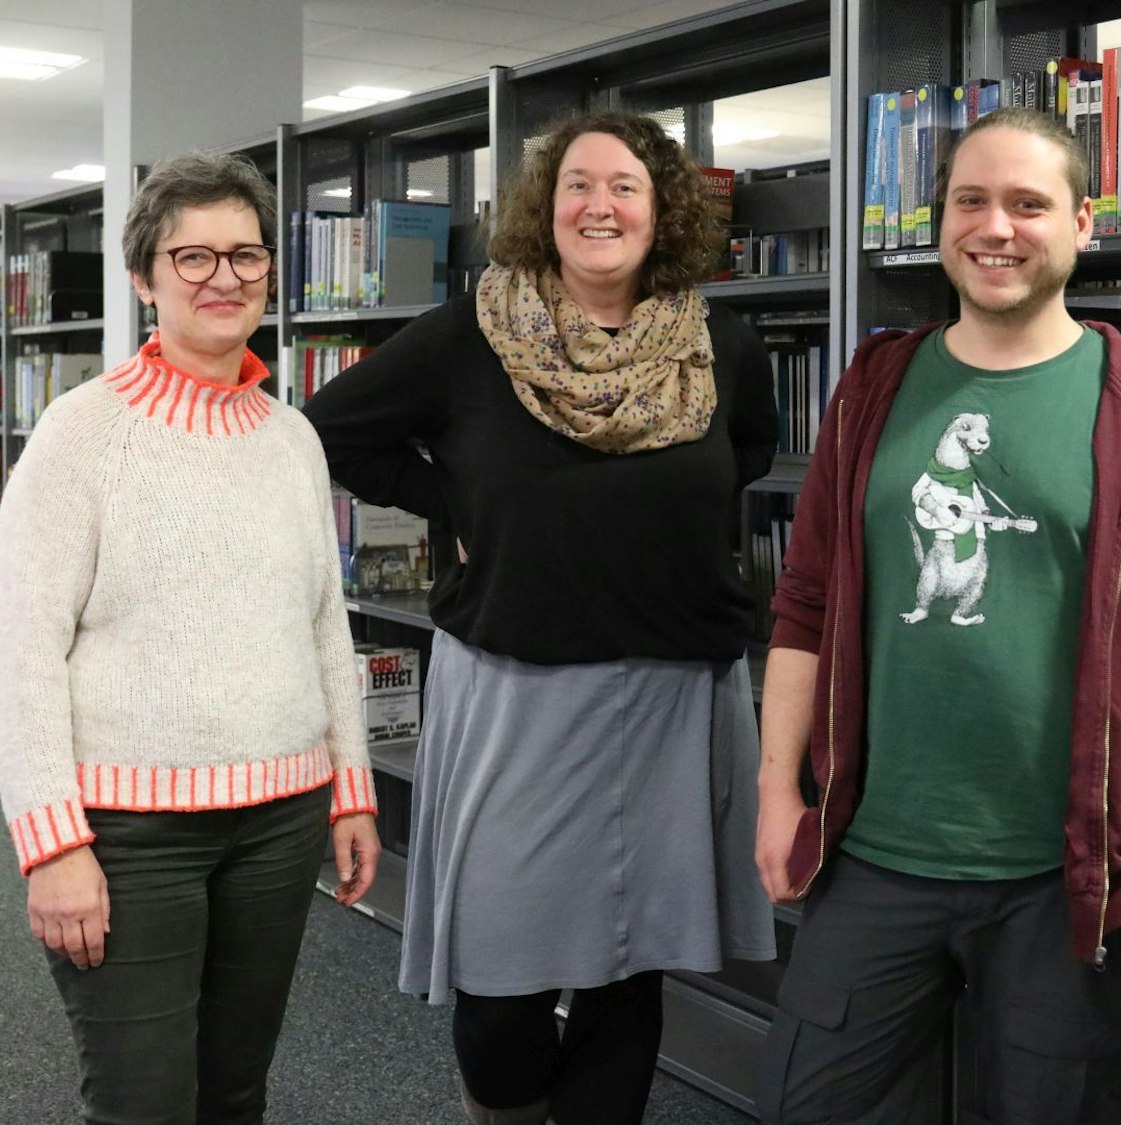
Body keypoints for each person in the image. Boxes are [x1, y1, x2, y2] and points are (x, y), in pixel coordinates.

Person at [753, 105, 1121, 1124]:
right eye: (970, 201)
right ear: (939, 222)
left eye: (1028, 204)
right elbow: (802, 607)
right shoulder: (872, 390)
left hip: (1056, 875)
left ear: (1081, 223)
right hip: (871, 851)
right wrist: (773, 797)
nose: (995, 228)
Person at [302, 112, 780, 1125]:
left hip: (670, 692)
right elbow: (328, 432)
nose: (597, 205)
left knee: (629, 969)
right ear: (542, 207)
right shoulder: (468, 337)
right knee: (501, 980)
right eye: (576, 185)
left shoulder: (723, 345)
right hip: (517, 694)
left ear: (661, 213)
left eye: (623, 187)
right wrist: (462, 506)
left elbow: (742, 460)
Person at [0, 151, 381, 1125]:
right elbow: (19, 651)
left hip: (281, 820)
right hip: (128, 835)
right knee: (142, 1104)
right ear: (144, 277)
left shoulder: (292, 437)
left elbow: (325, 625)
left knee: (234, 1094)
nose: (224, 278)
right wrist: (50, 846)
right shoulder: (80, 434)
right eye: (192, 257)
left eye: (245, 255)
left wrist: (352, 790)